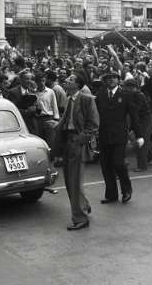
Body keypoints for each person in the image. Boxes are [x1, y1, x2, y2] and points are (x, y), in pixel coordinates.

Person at [53, 73, 99, 230]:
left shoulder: (87, 99)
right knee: (69, 180)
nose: (66, 80)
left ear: (78, 85)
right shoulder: (69, 99)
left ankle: (80, 218)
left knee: (74, 181)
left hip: (77, 143)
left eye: (71, 79)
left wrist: (79, 140)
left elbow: (93, 125)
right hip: (67, 141)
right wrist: (58, 126)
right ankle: (83, 205)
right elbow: (67, 121)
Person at [96, 71, 143, 204]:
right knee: (106, 166)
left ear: (118, 80)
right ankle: (111, 195)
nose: (111, 80)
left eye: (114, 78)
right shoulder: (101, 95)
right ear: (105, 81)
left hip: (119, 135)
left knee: (118, 163)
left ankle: (126, 190)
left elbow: (134, 116)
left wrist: (139, 135)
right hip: (104, 134)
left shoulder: (126, 95)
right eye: (108, 78)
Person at [122, 78, 152, 172]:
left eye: (126, 87)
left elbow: (135, 110)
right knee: (138, 140)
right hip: (140, 120)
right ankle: (149, 156)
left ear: (131, 87)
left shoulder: (138, 95)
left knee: (141, 141)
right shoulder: (135, 95)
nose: (125, 90)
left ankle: (142, 165)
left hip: (144, 120)